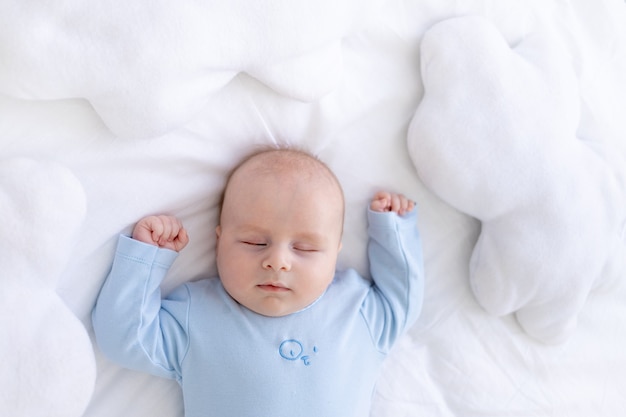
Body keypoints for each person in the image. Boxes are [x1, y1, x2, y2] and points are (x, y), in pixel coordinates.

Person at [92, 147, 424, 417]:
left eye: (304, 247)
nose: (277, 261)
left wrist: (392, 232)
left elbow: (403, 297)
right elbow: (124, 338)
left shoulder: (358, 311)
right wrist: (146, 258)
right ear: (219, 241)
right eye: (254, 242)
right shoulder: (196, 315)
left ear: (335, 254)